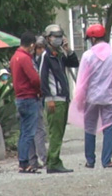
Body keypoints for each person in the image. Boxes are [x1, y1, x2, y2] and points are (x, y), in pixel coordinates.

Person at [69, 24, 112, 169]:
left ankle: (90, 160)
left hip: (91, 97)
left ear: (93, 39)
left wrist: (79, 99)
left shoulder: (87, 56)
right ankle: (107, 160)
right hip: (110, 97)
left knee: (89, 128)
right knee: (108, 129)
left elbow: (82, 80)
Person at [40, 24, 79, 174]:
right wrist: (48, 98)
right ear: (48, 38)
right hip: (54, 100)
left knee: (60, 131)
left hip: (62, 98)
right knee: (55, 132)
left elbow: (74, 63)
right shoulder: (46, 56)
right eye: (55, 36)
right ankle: (54, 162)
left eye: (60, 36)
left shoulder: (60, 55)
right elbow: (42, 79)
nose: (58, 39)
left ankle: (52, 161)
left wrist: (68, 50)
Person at [9, 31, 41, 174]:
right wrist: (40, 90)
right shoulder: (25, 58)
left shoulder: (14, 57)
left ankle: (22, 162)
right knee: (29, 133)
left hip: (19, 98)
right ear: (32, 45)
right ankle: (25, 163)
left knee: (23, 132)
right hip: (29, 97)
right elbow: (34, 79)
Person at [28, 36, 48, 170]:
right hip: (33, 97)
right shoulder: (30, 61)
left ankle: (32, 161)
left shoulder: (37, 60)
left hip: (29, 98)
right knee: (39, 130)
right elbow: (36, 80)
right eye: (38, 48)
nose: (41, 51)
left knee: (30, 130)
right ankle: (44, 158)